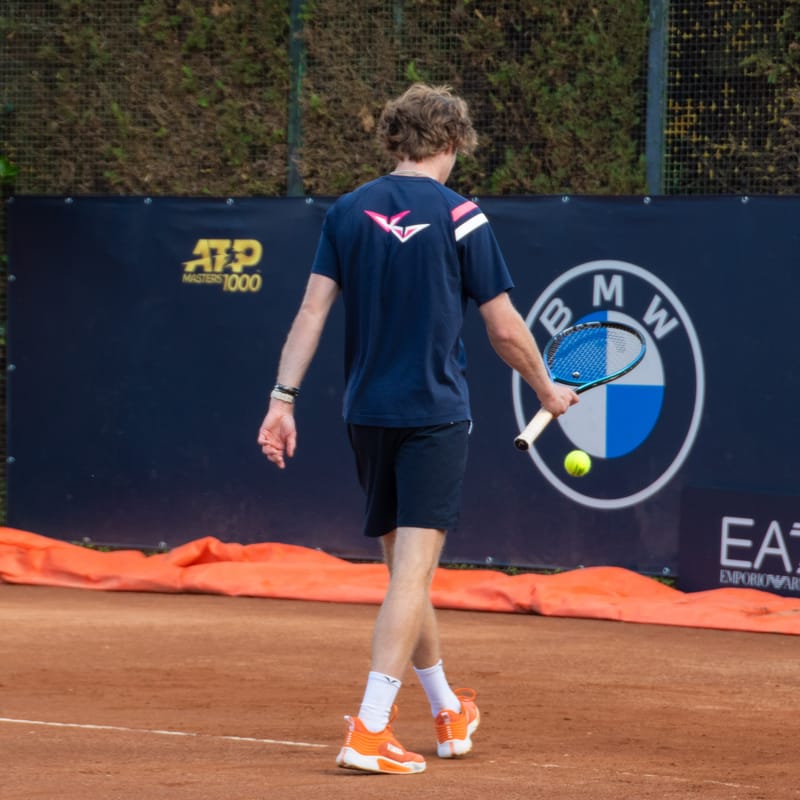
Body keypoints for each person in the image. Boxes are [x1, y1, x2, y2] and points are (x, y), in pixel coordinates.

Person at [257, 83, 578, 775]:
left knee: (407, 572)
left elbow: (311, 313)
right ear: (453, 143)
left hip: (365, 416)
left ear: (397, 140)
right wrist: (548, 390)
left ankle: (445, 709)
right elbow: (502, 326)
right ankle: (371, 729)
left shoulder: (346, 212)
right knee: (411, 575)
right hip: (433, 415)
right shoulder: (465, 217)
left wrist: (282, 399)